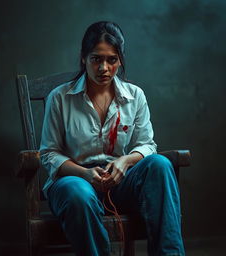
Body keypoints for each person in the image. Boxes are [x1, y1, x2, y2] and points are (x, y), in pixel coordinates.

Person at [40, 21, 185, 256]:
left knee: (160, 164)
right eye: (96, 59)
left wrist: (124, 162)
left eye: (112, 60)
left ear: (120, 60)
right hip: (74, 181)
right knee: (79, 193)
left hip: (119, 180)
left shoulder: (134, 96)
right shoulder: (61, 98)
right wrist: (84, 173)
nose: (104, 68)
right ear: (83, 58)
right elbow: (49, 154)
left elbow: (147, 144)